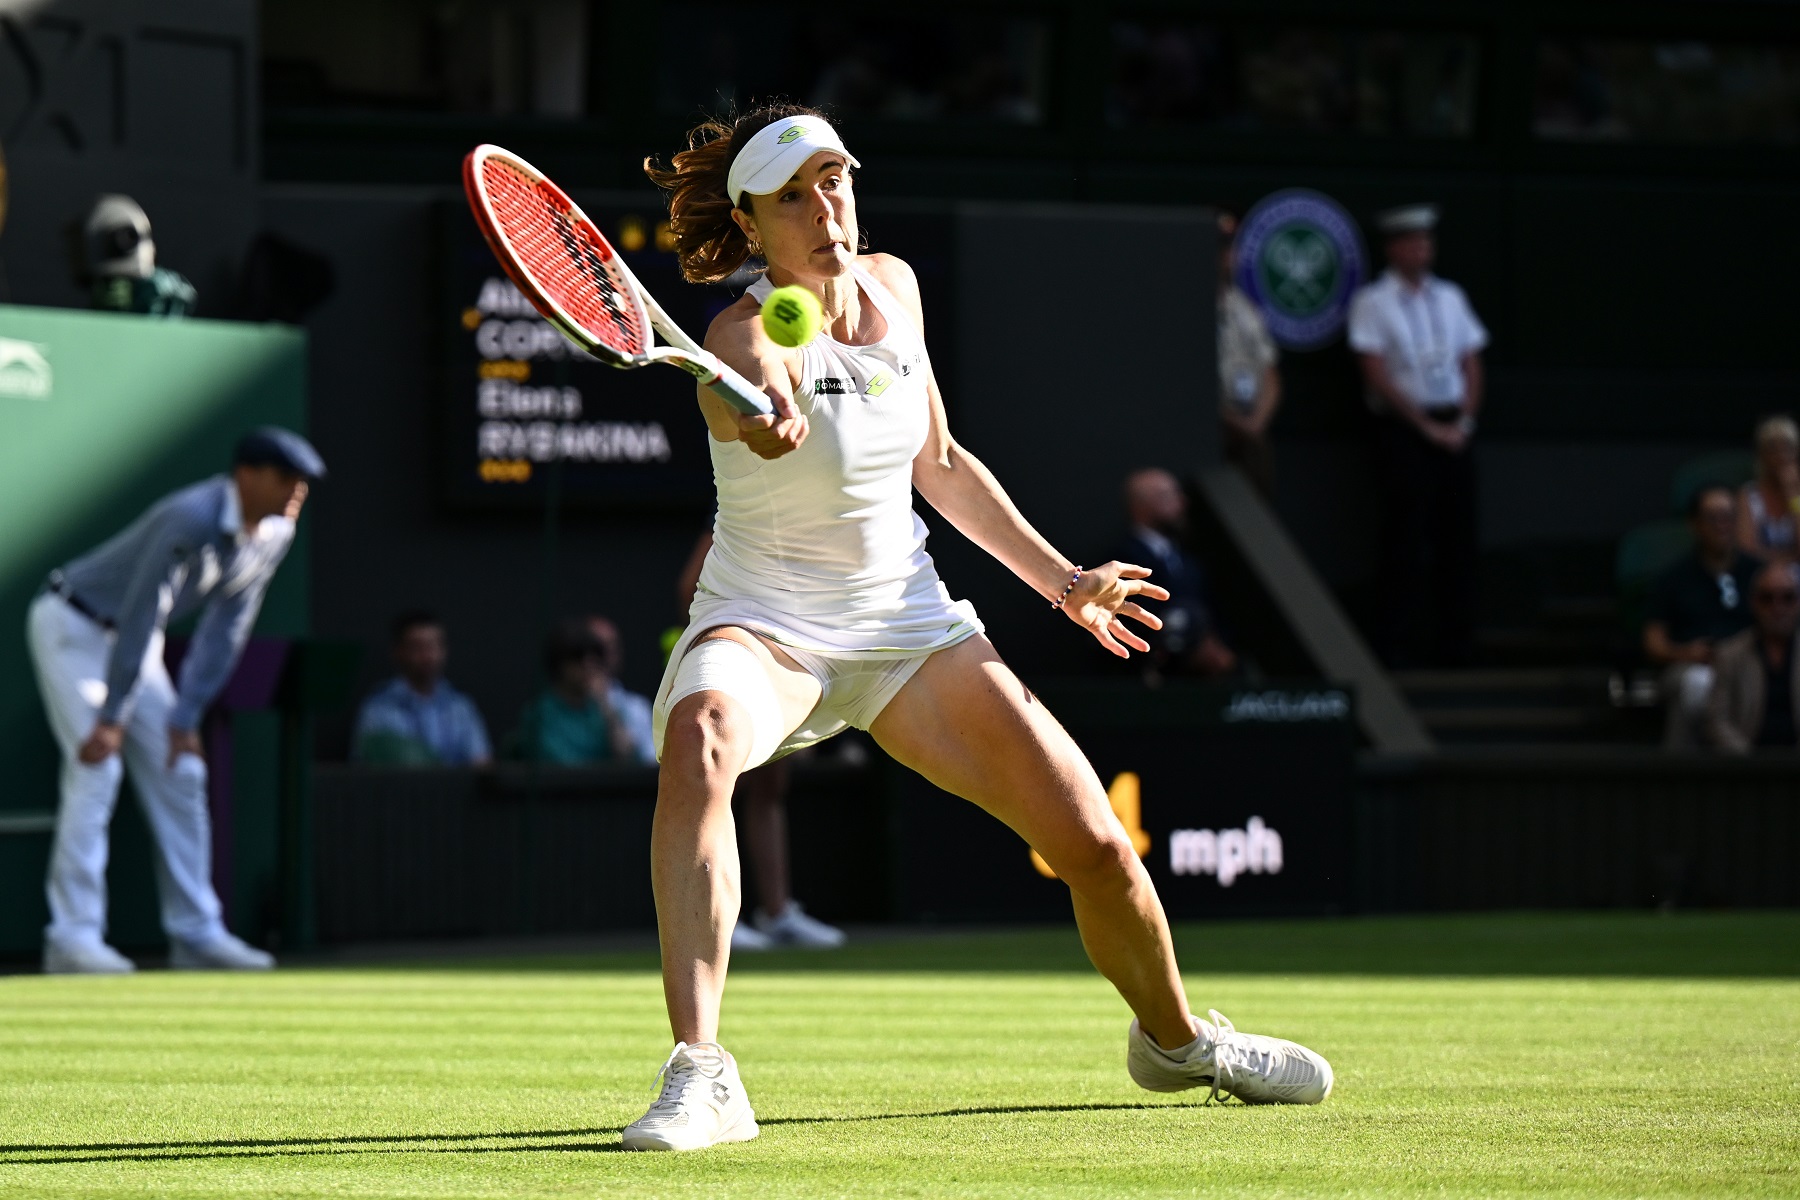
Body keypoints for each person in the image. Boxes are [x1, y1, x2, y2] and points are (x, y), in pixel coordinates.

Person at [625, 105, 1332, 1152]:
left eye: (836, 180)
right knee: (699, 745)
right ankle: (703, 1070)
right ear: (752, 224)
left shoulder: (897, 289)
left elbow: (942, 465)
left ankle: (1177, 1043)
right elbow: (754, 407)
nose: (826, 207)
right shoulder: (739, 335)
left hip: (909, 628)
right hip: (768, 625)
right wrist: (764, 417)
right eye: (795, 195)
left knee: (1094, 844)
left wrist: (1066, 583)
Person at [24, 428, 323, 974]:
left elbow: (228, 625)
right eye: (287, 479)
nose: (296, 493)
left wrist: (187, 716)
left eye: (303, 483)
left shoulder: (276, 534)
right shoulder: (188, 518)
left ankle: (196, 934)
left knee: (182, 769)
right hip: (74, 625)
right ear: (247, 476)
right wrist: (113, 717)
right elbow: (142, 613)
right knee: (98, 766)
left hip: (133, 643)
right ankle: (72, 938)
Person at [675, 529, 848, 952]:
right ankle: (714, 920)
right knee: (715, 787)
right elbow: (688, 588)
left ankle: (775, 912)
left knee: (769, 786)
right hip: (734, 664)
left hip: (779, 662)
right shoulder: (739, 506)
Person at [1348, 203, 1489, 667]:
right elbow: (1376, 373)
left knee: (1459, 537)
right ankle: (1395, 646)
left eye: (1427, 240)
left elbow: (1470, 362)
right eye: (1412, 240)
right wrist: (1424, 426)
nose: (1422, 248)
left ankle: (1457, 644)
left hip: (1453, 427)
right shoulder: (1374, 301)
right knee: (1404, 538)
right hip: (1403, 430)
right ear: (1393, 248)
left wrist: (1463, 421)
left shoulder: (1450, 296)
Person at [1644, 485, 1763, 748]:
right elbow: (1654, 642)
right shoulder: (1673, 579)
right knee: (1697, 685)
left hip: (1749, 664)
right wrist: (1686, 653)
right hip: (1693, 665)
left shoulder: (1758, 574)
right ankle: (1683, 774)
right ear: (1694, 524)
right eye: (1713, 517)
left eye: (1729, 517)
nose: (1722, 525)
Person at [1116, 468, 1235, 680]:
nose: (1181, 502)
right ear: (1139, 506)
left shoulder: (1189, 560)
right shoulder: (1121, 559)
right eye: (1167, 495)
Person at [351, 611, 492, 766]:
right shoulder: (377, 709)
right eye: (418, 647)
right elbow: (363, 771)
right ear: (399, 651)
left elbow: (481, 764)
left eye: (434, 646)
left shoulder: (461, 706)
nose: (428, 656)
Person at [512, 617, 656, 765]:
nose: (589, 664)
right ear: (560, 663)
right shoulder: (540, 714)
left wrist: (606, 706)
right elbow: (562, 766)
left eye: (596, 656)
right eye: (577, 656)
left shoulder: (605, 709)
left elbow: (632, 758)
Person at [1215, 212, 1280, 498]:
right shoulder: (1182, 306)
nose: (1227, 256)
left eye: (1231, 248)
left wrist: (1256, 421)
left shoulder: (1243, 307)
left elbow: (1270, 373)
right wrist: (1231, 421)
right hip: (1214, 430)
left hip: (1251, 427)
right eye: (1221, 248)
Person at [1705, 562, 1800, 752]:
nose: (1777, 607)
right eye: (1767, 598)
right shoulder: (1730, 655)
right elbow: (1716, 721)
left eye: (1787, 598)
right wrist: (1749, 761)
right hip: (1746, 770)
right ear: (1754, 602)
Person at [1737, 416, 1800, 565]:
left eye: (1787, 448)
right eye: (1773, 449)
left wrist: (1793, 495)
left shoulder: (1798, 496)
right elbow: (1747, 551)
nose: (1781, 455)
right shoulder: (1748, 495)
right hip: (1760, 574)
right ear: (1761, 455)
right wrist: (1787, 560)